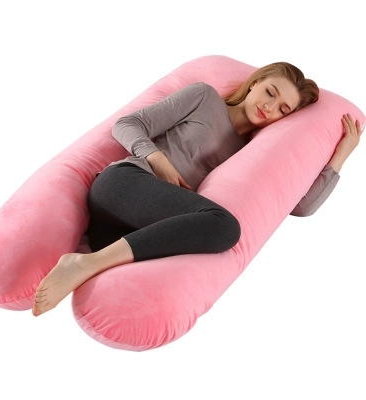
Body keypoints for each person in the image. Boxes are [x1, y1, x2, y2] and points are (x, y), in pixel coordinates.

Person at [32, 62, 362, 317]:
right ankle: (83, 264)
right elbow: (127, 124)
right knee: (225, 226)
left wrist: (341, 156)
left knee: (218, 232)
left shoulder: (254, 152)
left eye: (283, 110)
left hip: (129, 231)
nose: (270, 107)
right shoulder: (204, 97)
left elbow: (300, 206)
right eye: (270, 92)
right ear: (255, 82)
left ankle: (91, 261)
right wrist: (159, 160)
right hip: (122, 185)